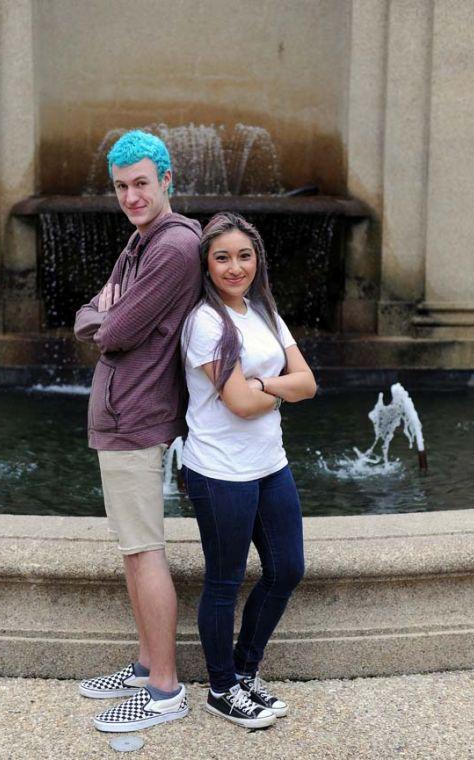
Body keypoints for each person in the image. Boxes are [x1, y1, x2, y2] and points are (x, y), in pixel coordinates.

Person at [74, 130, 201, 733]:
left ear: (167, 181)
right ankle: (146, 663)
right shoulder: (141, 240)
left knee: (144, 552)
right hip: (123, 414)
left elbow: (112, 329)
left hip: (134, 415)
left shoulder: (173, 248)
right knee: (133, 552)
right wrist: (106, 313)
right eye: (122, 186)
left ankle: (164, 690)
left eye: (142, 183)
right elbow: (89, 312)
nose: (131, 195)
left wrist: (108, 315)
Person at [181, 212, 316, 729]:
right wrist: (273, 388)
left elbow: (309, 383)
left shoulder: (263, 310)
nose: (234, 267)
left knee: (287, 570)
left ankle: (244, 672)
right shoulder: (205, 322)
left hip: (269, 464)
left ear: (257, 259)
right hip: (219, 471)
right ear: (207, 266)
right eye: (222, 258)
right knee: (224, 581)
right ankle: (220, 688)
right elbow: (237, 402)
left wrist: (261, 388)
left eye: (243, 255)